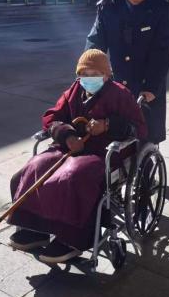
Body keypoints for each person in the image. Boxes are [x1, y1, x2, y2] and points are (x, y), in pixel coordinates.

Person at [8, 49, 147, 263]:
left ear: (106, 75)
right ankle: (37, 228)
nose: (88, 78)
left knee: (73, 177)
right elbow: (52, 117)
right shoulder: (73, 91)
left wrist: (108, 124)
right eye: (84, 74)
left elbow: (139, 128)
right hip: (70, 148)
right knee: (34, 167)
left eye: (94, 74)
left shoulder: (120, 94)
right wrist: (66, 134)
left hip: (104, 153)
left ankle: (72, 239)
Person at [85, 0, 169, 144]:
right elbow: (95, 42)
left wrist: (151, 86)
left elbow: (164, 50)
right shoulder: (108, 6)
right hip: (117, 85)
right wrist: (90, 72)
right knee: (113, 138)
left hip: (147, 85)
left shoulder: (162, 8)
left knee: (145, 139)